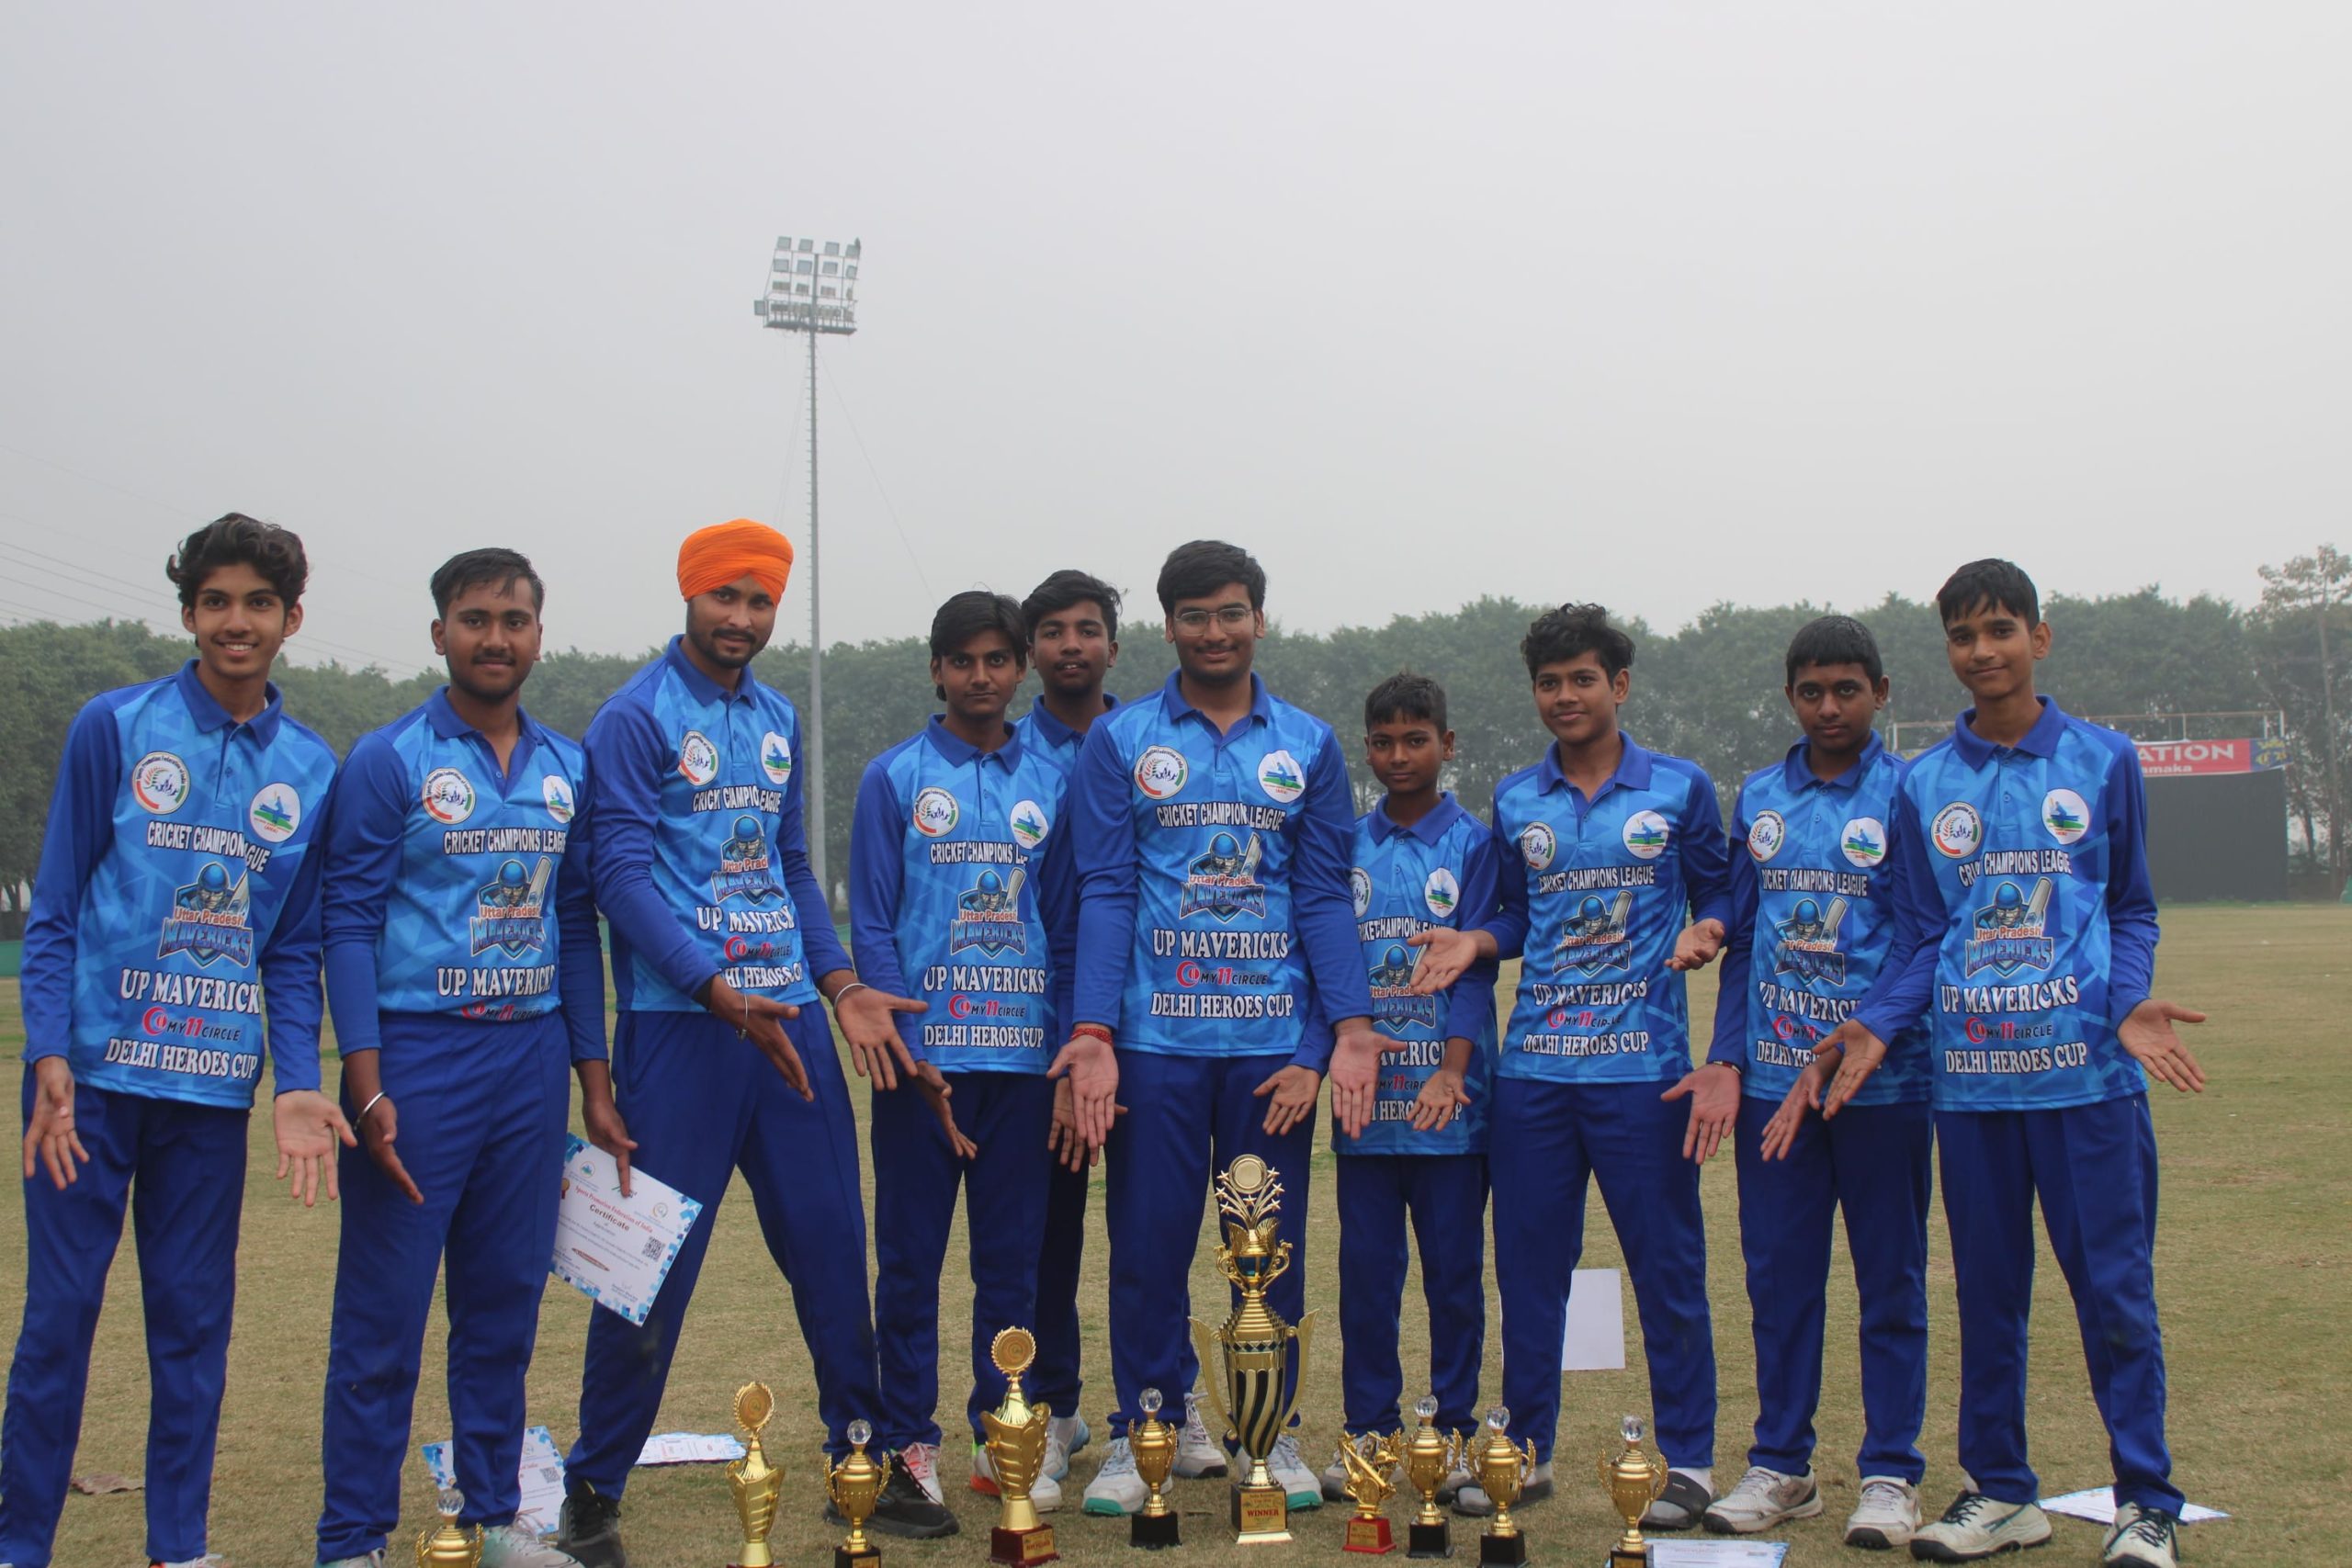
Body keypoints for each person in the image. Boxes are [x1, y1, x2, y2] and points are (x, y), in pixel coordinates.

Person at [555, 520, 945, 1568]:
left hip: (794, 1029)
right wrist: (716, 990)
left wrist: (842, 983)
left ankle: (861, 1460)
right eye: (724, 598)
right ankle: (592, 1487)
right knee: (648, 1270)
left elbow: (791, 871)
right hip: (684, 1030)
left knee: (828, 1248)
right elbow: (621, 882)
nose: (741, 619)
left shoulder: (775, 716)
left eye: (759, 601)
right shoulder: (633, 718)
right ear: (689, 597)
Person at [1804, 560, 2206, 1568]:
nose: (1981, 651)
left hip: (2085, 1086)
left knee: (2112, 1294)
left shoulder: (2104, 761)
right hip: (1971, 1088)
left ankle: (2146, 1502)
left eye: (1999, 630)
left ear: (2038, 636)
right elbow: (1922, 933)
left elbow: (2130, 906)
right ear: (1946, 648)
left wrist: (2124, 1005)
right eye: (1962, 635)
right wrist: (1875, 1022)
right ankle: (2001, 1492)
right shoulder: (1925, 782)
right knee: (1987, 1296)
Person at [4, 513, 351, 1568]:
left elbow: (290, 949)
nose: (233, 623)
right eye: (213, 601)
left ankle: (178, 1547)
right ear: (189, 611)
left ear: (292, 618)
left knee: (193, 1332)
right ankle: (20, 1545)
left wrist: (297, 1080)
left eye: (256, 603)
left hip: (207, 1092)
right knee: (59, 1322)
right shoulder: (116, 725)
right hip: (89, 1087)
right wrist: (49, 1048)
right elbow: (55, 908)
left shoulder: (311, 767)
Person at [312, 550, 622, 1568]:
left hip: (528, 1061)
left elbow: (576, 930)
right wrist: (365, 1081)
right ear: (439, 632)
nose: (497, 638)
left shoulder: (567, 765)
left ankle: (490, 1520)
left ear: (540, 634)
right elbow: (347, 922)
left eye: (516, 619)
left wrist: (592, 1080)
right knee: (384, 1315)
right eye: (475, 618)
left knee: (501, 1308)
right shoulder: (389, 758)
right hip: (416, 1059)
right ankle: (352, 1540)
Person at [1070, 539, 1380, 1517]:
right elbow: (1109, 889)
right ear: (1168, 626)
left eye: (1232, 612)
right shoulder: (1118, 743)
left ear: (1258, 619)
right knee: (1149, 1246)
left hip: (1268, 1050)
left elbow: (1326, 896)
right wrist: (1093, 1033)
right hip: (1155, 1044)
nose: (1215, 632)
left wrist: (1339, 1034)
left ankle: (1269, 1435)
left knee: (1267, 1251)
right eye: (1195, 615)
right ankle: (1144, 1430)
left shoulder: (1310, 745)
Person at [1411, 604, 1730, 1526]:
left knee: (1666, 1265)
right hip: (1537, 1078)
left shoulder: (1677, 788)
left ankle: (1692, 1460)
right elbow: (1512, 916)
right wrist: (1477, 938)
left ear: (1618, 685)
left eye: (1581, 679)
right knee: (1529, 1270)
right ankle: (1523, 1450)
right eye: (1548, 683)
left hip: (1643, 1072)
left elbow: (1716, 886)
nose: (1564, 697)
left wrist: (1711, 925)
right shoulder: (1516, 799)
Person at [1671, 615, 1931, 1549]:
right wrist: (1730, 1056)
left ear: (1880, 694)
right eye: (1811, 691)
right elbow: (1742, 940)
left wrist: (1872, 1030)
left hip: (1880, 1086)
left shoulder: (1910, 793)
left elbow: (1924, 937)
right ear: (1789, 698)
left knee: (1889, 1281)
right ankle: (1781, 1464)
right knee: (1780, 1280)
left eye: (1847, 690)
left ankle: (1891, 1473)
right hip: (1776, 1092)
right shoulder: (1762, 797)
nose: (1829, 707)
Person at [849, 591, 1081, 1515]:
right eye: (963, 661)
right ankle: (910, 1441)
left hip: (1022, 1067)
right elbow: (868, 920)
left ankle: (1005, 1433)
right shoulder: (893, 777)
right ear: (936, 669)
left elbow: (1066, 926)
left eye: (997, 660)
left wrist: (1067, 1050)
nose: (980, 677)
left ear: (1019, 667)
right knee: (907, 1263)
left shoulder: (1057, 783)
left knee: (1011, 1266)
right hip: (921, 1070)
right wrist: (906, 1046)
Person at [1312, 673, 1498, 1506]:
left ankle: (1452, 1430)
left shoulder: (1474, 843)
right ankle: (1369, 1432)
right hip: (1367, 1106)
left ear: (1447, 745)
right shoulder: (1345, 842)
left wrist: (1452, 1069)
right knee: (1367, 1276)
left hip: (1448, 1106)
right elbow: (1329, 961)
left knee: (1454, 1276)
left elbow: (1474, 971)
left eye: (1416, 739)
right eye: (1383, 741)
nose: (1398, 755)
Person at [1013, 569, 1123, 1482]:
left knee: (1152, 1227)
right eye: (1052, 632)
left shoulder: (1149, 743)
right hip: (1049, 1032)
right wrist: (1062, 1041)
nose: (1071, 646)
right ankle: (1051, 1407)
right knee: (1047, 1230)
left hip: (1158, 1024)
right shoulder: (1005, 759)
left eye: (1086, 630)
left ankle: (1156, 1409)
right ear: (1030, 654)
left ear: (1114, 648)